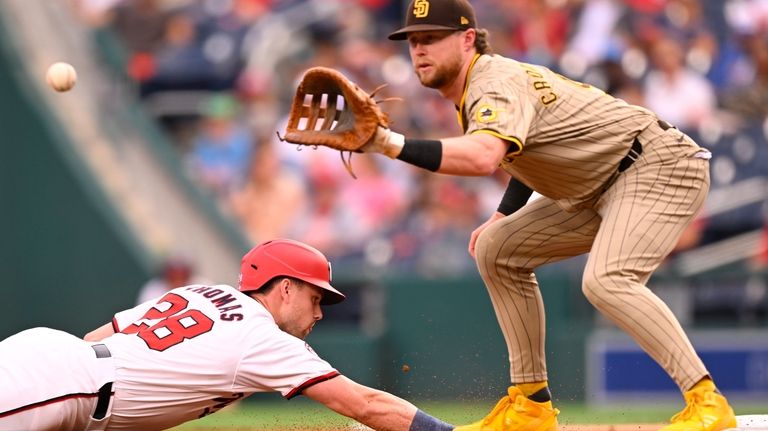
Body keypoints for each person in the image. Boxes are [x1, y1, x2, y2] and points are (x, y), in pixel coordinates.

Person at [356, 0, 737, 430]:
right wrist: (504, 214)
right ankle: (531, 406)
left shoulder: (492, 81)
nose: (419, 49)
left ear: (467, 39)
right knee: (496, 249)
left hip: (656, 165)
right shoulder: (484, 82)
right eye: (413, 41)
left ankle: (707, 401)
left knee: (607, 280)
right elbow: (531, 149)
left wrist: (390, 144)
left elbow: (484, 157)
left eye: (431, 38)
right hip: (600, 183)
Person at [0, 239, 454, 431]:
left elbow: (97, 335)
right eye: (316, 298)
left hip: (60, 367)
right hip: (66, 388)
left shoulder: (207, 291)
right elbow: (365, 405)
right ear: (286, 287)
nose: (320, 311)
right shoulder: (264, 339)